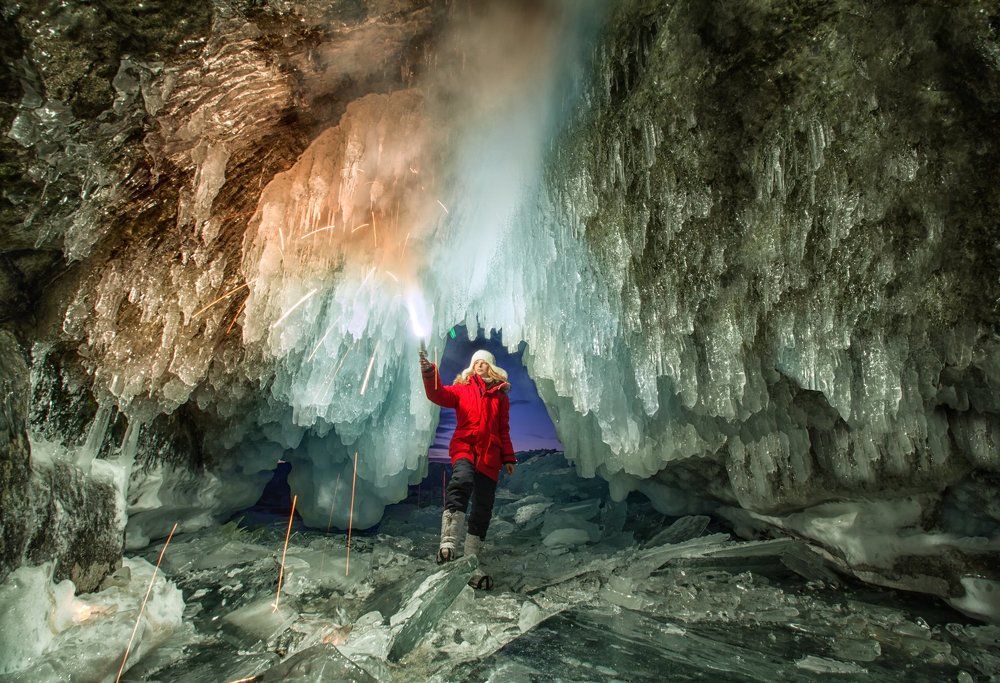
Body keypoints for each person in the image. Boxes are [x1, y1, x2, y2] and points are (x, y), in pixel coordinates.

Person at [418, 347, 516, 590]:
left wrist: (508, 457)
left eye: (484, 362)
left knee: (483, 507)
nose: (479, 365)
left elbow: (503, 430)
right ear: (471, 367)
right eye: (476, 362)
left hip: (490, 455)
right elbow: (438, 394)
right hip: (465, 447)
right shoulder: (461, 389)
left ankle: (471, 561)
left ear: (491, 367)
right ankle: (448, 545)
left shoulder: (500, 398)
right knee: (461, 481)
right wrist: (430, 373)